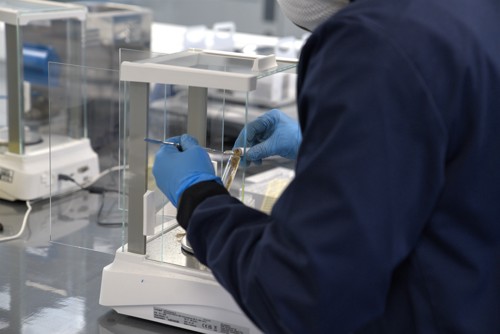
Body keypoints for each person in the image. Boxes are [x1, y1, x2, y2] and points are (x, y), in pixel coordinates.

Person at [152, 0, 500, 332]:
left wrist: (198, 197)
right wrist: (340, 148)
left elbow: (301, 291)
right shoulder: (470, 13)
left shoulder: (377, 40)